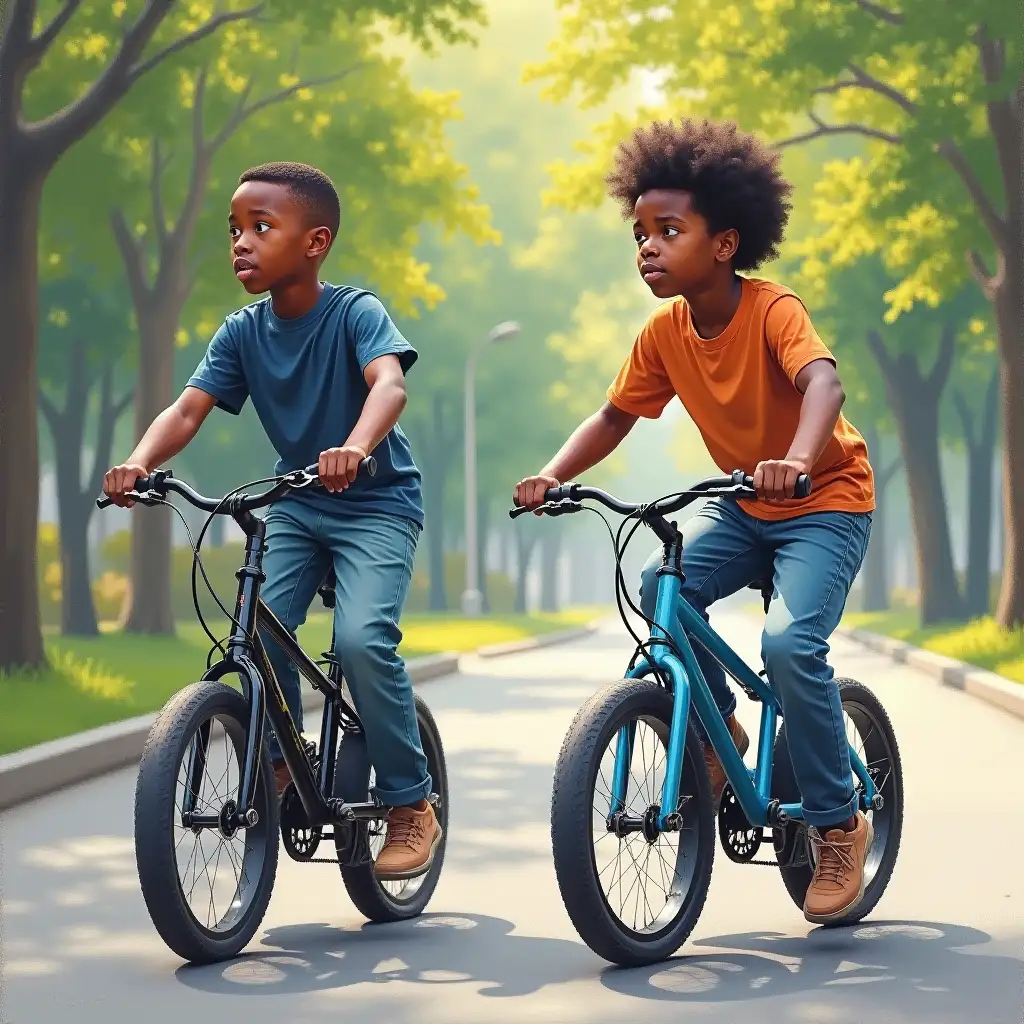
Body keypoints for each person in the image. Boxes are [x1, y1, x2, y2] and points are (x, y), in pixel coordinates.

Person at [514, 119, 876, 924]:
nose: (647, 247)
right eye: (639, 233)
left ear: (724, 243)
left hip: (825, 502)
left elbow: (824, 386)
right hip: (748, 507)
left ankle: (837, 820)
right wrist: (551, 475)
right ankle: (719, 739)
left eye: (668, 231)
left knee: (788, 645)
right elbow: (614, 417)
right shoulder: (665, 334)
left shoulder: (773, 310)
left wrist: (799, 458)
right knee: (659, 587)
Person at [103, 161, 440, 881]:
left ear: (314, 242)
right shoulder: (242, 332)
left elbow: (391, 383)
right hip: (298, 502)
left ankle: (412, 803)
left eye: (261, 227)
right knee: (257, 632)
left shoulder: (355, 312)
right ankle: (286, 763)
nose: (241, 243)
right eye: (234, 230)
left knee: (360, 639)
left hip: (376, 501)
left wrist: (355, 446)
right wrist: (137, 463)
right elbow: (189, 407)